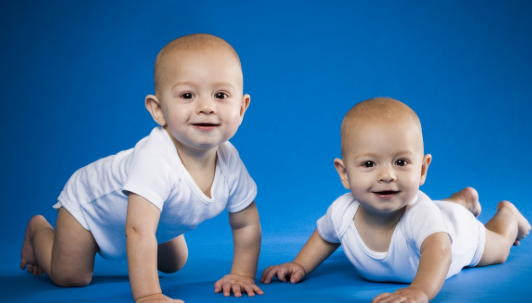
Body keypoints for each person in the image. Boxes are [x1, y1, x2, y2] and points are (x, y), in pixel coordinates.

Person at [20, 34, 264, 303]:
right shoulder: (156, 158)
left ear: (241, 108)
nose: (206, 107)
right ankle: (38, 231)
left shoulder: (230, 161)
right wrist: (149, 294)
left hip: (151, 221)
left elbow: (246, 224)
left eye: (220, 95)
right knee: (71, 277)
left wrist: (242, 274)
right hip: (90, 209)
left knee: (175, 262)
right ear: (158, 110)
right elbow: (138, 231)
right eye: (187, 95)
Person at [261, 97, 530, 303]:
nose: (387, 175)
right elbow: (324, 236)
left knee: (500, 249)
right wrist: (300, 265)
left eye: (401, 162)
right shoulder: (341, 211)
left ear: (422, 170)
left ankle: (507, 214)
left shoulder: (421, 215)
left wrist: (419, 290)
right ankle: (460, 200)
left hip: (458, 233)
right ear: (344, 173)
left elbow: (440, 252)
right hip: (439, 213)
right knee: (438, 210)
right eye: (369, 163)